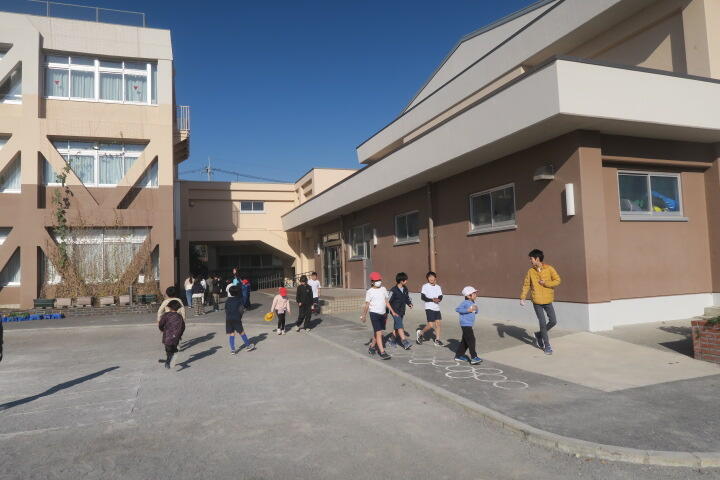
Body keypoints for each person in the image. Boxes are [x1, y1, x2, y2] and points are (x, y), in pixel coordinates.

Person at [520, 249, 561, 355]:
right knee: (542, 323)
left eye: (531, 259)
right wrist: (523, 297)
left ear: (537, 259)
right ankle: (547, 346)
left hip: (548, 300)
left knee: (553, 321)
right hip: (537, 301)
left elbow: (557, 280)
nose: (530, 261)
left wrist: (546, 283)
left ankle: (539, 335)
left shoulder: (549, 269)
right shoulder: (530, 271)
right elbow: (526, 285)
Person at [360, 272, 391, 360]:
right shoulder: (369, 292)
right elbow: (367, 304)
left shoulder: (383, 289)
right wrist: (364, 315)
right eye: (376, 280)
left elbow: (386, 301)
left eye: (379, 280)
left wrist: (390, 312)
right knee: (379, 333)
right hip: (374, 314)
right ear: (372, 282)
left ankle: (372, 347)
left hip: (383, 314)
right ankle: (382, 352)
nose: (378, 281)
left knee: (377, 332)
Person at [454, 286, 483, 365]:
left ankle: (459, 355)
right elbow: (458, 309)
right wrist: (468, 310)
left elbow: (475, 312)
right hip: (465, 324)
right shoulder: (465, 302)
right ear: (468, 296)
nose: (476, 295)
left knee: (465, 341)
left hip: (469, 324)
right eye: (474, 294)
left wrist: (476, 309)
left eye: (475, 293)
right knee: (471, 339)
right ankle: (474, 357)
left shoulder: (473, 302)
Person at [226, 285, 256, 354]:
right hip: (236, 318)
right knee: (241, 332)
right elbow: (241, 310)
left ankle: (233, 349)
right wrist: (240, 316)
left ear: (230, 292)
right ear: (237, 292)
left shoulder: (227, 300)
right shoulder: (239, 300)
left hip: (228, 318)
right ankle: (248, 345)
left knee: (231, 333)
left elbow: (226, 310)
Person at [417, 271, 444, 346]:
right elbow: (423, 297)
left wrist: (439, 299)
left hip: (437, 308)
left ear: (435, 278)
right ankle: (421, 333)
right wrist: (432, 300)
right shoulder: (425, 286)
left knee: (438, 324)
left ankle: (437, 340)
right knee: (431, 325)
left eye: (432, 277)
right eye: (429, 277)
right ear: (427, 278)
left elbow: (440, 296)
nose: (431, 278)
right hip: (429, 307)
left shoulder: (438, 287)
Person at [387, 272, 413, 350]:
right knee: (400, 325)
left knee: (397, 326)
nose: (406, 281)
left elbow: (407, 298)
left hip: (402, 311)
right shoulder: (393, 290)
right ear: (401, 281)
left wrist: (409, 303)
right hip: (395, 311)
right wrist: (388, 311)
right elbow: (387, 301)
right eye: (405, 280)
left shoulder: (405, 289)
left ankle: (392, 340)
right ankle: (405, 342)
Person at [158, 300, 185, 369]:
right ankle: (170, 358)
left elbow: (161, 324)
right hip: (176, 337)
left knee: (168, 349)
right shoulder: (180, 317)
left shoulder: (166, 315)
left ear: (169, 307)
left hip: (167, 336)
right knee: (173, 349)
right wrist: (180, 335)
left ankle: (168, 361)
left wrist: (162, 329)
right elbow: (183, 327)